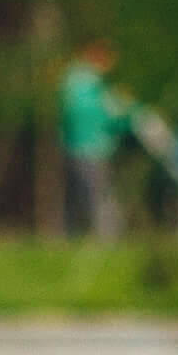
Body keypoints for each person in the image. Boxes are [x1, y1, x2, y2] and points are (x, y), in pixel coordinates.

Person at [59, 39, 138, 242]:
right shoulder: (84, 83)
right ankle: (108, 238)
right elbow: (95, 114)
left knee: (80, 195)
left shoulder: (79, 81)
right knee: (98, 194)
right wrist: (125, 112)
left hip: (80, 146)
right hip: (91, 146)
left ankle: (70, 237)